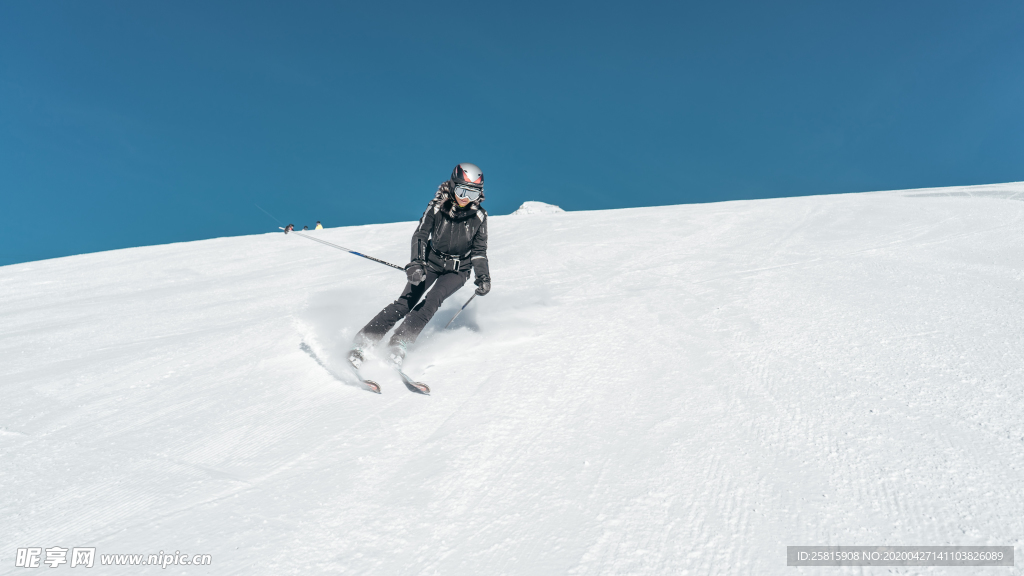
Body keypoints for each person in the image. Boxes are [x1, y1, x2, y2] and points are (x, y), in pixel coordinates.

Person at [349, 162, 491, 368]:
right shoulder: (437, 207)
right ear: (453, 185)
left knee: (433, 300)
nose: (466, 198)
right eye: (462, 191)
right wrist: (417, 263)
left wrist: (483, 276)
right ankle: (364, 341)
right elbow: (421, 235)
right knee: (406, 302)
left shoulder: (479, 216)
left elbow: (479, 251)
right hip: (431, 262)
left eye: (473, 193)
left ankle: (400, 343)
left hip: (458, 270)